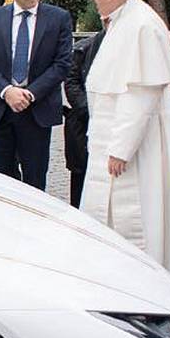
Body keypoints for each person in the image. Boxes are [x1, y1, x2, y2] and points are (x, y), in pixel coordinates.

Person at [80, 0, 170, 281]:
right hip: (119, 142)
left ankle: (143, 280)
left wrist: (120, 149)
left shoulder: (142, 24)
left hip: (138, 148)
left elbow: (141, 93)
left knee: (138, 213)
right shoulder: (122, 22)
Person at [0, 0, 73, 190]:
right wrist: (7, 91)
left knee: (35, 179)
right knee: (2, 179)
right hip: (0, 110)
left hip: (36, 110)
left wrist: (29, 94)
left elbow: (62, 64)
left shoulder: (58, 18)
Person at [62, 20, 107, 208]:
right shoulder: (83, 49)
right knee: (80, 178)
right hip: (82, 123)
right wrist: (92, 111)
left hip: (114, 127)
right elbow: (71, 82)